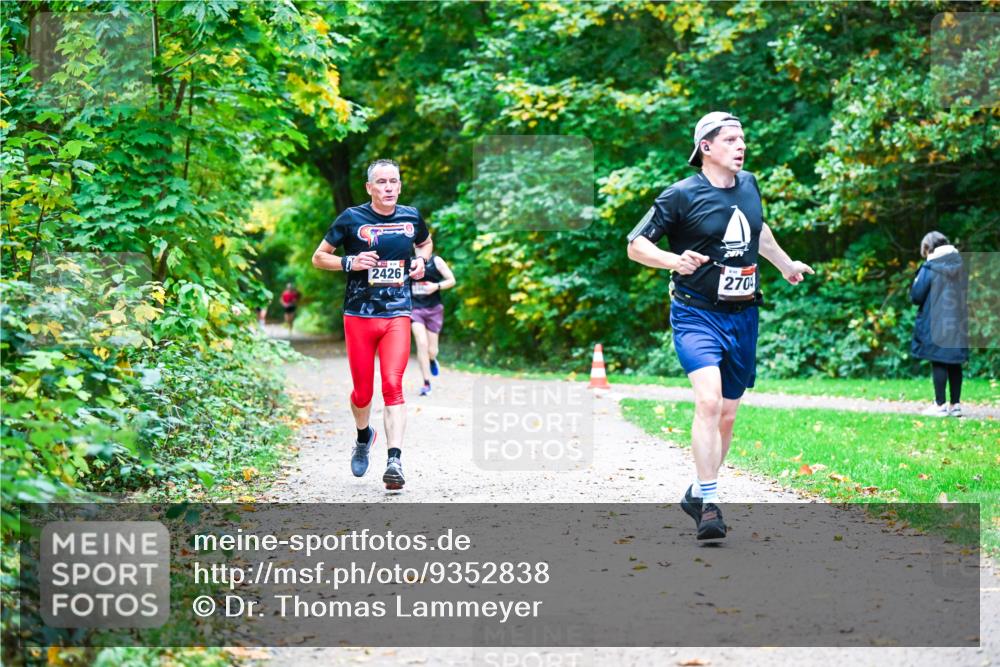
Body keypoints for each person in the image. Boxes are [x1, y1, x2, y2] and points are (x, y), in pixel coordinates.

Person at [626, 112, 814, 540]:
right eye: (730, 140)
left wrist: (785, 265)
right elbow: (636, 245)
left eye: (742, 139)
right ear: (706, 148)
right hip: (696, 313)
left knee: (727, 415)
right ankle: (710, 506)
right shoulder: (680, 196)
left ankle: (696, 490)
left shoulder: (749, 185)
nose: (740, 146)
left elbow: (757, 230)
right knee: (708, 402)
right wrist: (674, 261)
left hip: (743, 314)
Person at [311, 159, 432, 490]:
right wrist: (350, 261)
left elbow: (424, 243)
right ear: (369, 188)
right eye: (381, 182)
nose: (389, 187)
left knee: (393, 384)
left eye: (394, 181)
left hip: (397, 312)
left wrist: (422, 261)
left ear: (400, 186)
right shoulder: (351, 218)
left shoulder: (411, 216)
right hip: (359, 314)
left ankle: (395, 460)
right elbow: (319, 257)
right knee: (363, 392)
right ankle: (364, 436)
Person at [910, 231, 969, 417]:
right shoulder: (960, 266)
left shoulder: (929, 268)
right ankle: (956, 405)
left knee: (939, 361)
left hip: (935, 321)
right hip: (957, 320)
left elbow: (916, 296)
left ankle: (940, 404)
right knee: (954, 361)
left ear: (928, 248)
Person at [409, 254, 456, 396]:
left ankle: (431, 359)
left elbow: (452, 280)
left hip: (433, 309)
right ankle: (426, 382)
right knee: (421, 343)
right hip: (415, 308)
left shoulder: (436, 260)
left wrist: (436, 286)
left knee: (432, 350)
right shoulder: (407, 259)